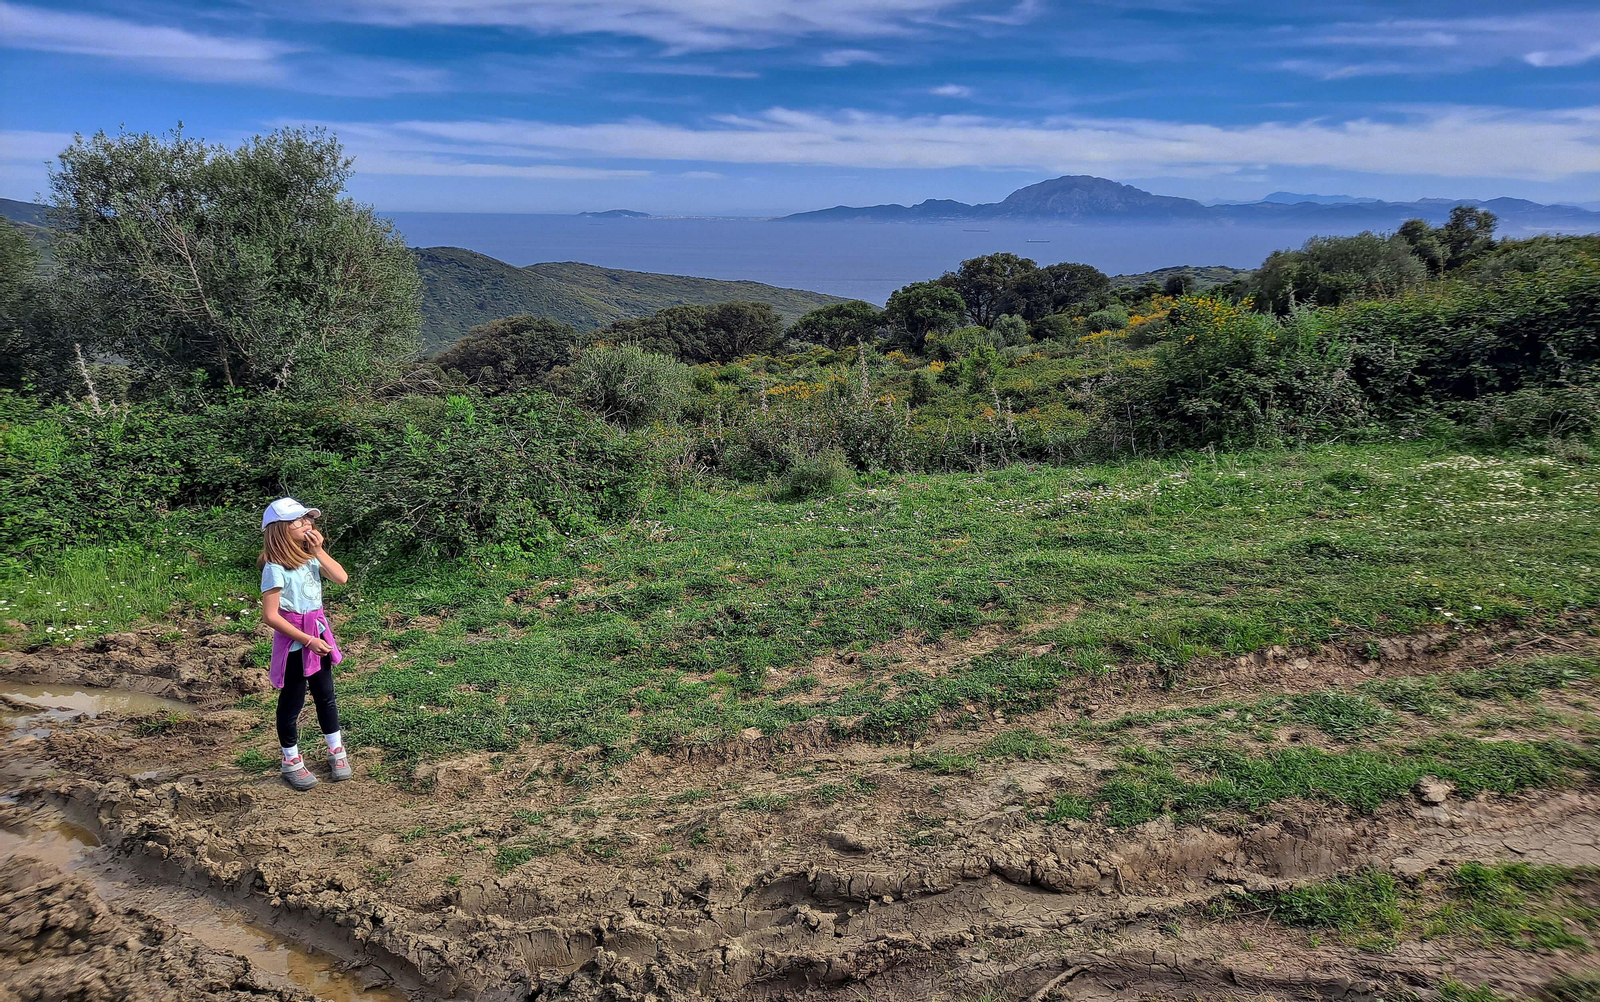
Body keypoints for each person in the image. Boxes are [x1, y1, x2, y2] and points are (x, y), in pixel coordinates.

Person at [258, 497, 351, 790]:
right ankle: (291, 761)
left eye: (308, 519)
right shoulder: (274, 568)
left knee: (326, 694)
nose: (307, 524)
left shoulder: (311, 557)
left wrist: (319, 550)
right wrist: (308, 640)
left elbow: (341, 578)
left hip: (317, 634)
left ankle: (336, 750)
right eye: (299, 521)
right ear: (280, 530)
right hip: (297, 642)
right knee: (292, 702)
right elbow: (271, 616)